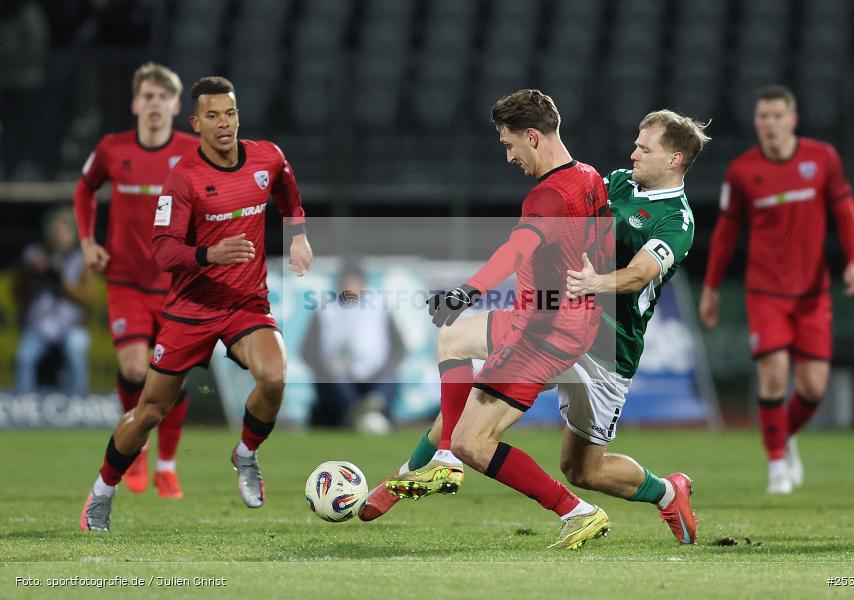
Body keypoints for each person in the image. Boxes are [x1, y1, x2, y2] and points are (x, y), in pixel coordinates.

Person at [366, 110, 709, 546]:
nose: (633, 153)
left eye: (645, 148)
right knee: (457, 357)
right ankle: (414, 474)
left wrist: (595, 283)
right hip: (557, 324)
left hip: (608, 351)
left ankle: (666, 492)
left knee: (583, 469)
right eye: (636, 144)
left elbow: (640, 273)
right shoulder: (618, 182)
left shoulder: (677, 221)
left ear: (675, 159)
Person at [382, 89, 614, 550]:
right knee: (452, 337)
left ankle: (577, 511)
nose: (509, 157)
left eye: (509, 145)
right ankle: (443, 459)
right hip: (562, 317)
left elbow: (516, 250)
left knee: (473, 442)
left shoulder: (546, 197)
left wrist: (466, 291)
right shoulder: (588, 175)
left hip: (542, 334)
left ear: (532, 136)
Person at [80, 76, 313, 532]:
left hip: (245, 302)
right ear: (195, 123)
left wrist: (299, 235)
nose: (223, 123)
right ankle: (103, 490)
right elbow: (164, 251)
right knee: (149, 411)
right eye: (212, 116)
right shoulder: (183, 179)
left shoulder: (267, 157)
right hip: (192, 309)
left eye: (230, 113)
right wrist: (210, 253)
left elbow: (288, 192)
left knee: (274, 376)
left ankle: (246, 454)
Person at [699, 85, 854, 494]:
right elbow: (725, 233)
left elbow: (845, 211)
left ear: (792, 120)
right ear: (756, 122)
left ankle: (784, 436)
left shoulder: (822, 159)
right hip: (765, 291)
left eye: (777, 116)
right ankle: (776, 465)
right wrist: (711, 287)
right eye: (763, 116)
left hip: (812, 292)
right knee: (773, 376)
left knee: (813, 388)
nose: (769, 123)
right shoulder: (742, 170)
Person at [74, 62, 199, 499]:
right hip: (126, 279)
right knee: (133, 369)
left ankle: (167, 466)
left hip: (176, 283)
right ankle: (137, 446)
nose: (154, 103)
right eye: (148, 96)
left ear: (176, 106)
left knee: (172, 377)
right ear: (135, 103)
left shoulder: (192, 151)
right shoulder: (113, 148)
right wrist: (87, 241)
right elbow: (85, 189)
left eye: (163, 97)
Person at [301, 263, 405, 433]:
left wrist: (384, 368)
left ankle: (372, 405)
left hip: (375, 375)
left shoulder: (379, 307)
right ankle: (358, 412)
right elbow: (307, 351)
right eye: (346, 282)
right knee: (335, 381)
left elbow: (399, 348)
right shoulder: (325, 310)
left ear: (363, 283)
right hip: (338, 378)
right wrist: (326, 368)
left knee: (389, 378)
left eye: (354, 282)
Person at [14, 206, 91, 395]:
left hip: (70, 325)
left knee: (76, 347)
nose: (59, 236)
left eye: (64, 231)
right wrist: (31, 272)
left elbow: (90, 299)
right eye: (55, 231)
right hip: (40, 325)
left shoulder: (80, 260)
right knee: (24, 356)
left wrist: (62, 283)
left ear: (72, 234)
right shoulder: (35, 256)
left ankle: (79, 401)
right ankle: (25, 402)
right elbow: (17, 292)